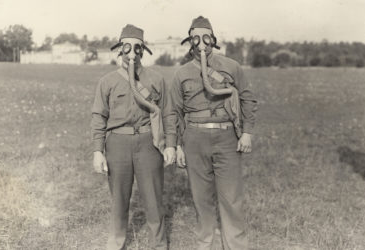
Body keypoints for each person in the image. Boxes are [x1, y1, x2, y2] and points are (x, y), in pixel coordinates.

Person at [163, 16, 258, 250]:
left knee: (231, 198)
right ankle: (205, 244)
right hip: (195, 139)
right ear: (190, 42)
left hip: (227, 138)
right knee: (201, 199)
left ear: (213, 40)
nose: (201, 44)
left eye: (206, 38)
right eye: (195, 39)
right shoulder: (182, 73)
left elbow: (247, 98)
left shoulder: (231, 66)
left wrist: (247, 133)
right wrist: (176, 145)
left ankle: (235, 245)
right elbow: (173, 112)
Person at [91, 24, 172, 250]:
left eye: (138, 47)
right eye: (127, 47)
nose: (132, 52)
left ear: (143, 50)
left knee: (154, 199)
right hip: (117, 144)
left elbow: (168, 113)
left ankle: (158, 244)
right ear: (120, 49)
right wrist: (98, 151)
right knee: (119, 199)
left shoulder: (156, 79)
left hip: (148, 143)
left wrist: (170, 145)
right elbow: (99, 116)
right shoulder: (107, 81)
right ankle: (116, 243)